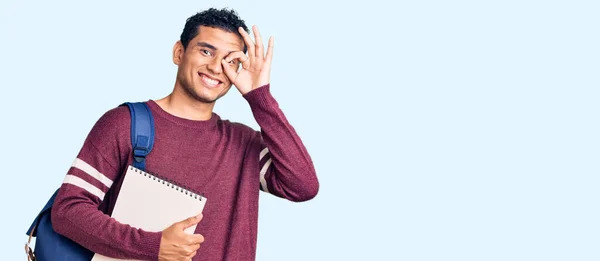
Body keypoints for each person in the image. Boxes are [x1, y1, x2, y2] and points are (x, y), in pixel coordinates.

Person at [50, 7, 319, 261]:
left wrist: (259, 97)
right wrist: (153, 246)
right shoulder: (124, 124)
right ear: (179, 52)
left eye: (230, 60)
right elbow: (68, 211)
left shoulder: (244, 143)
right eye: (206, 51)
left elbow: (302, 186)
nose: (216, 67)